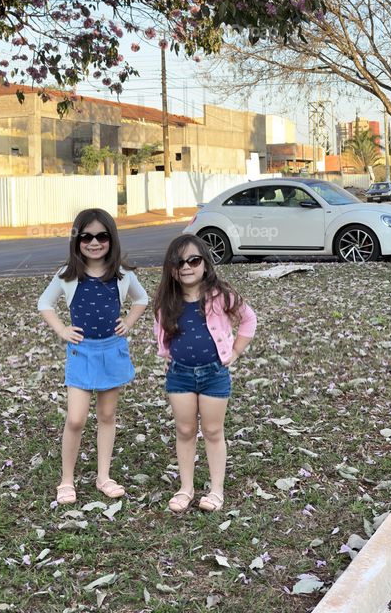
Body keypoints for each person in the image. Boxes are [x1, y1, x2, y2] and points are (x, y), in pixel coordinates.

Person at [38, 207, 148, 504]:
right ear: (77, 240)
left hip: (111, 350)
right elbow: (45, 303)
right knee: (75, 419)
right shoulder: (67, 275)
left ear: (111, 238)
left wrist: (128, 322)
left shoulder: (121, 274)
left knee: (107, 415)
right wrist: (62, 330)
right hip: (82, 353)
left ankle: (104, 476)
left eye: (102, 236)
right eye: (87, 236)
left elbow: (142, 299)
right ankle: (67, 480)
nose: (94, 242)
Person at [154, 234, 257, 514]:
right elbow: (161, 329)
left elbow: (248, 319)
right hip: (180, 375)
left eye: (194, 260)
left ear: (205, 263)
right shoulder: (167, 299)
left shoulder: (221, 295)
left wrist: (234, 352)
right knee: (185, 430)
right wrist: (166, 355)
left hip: (214, 374)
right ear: (171, 267)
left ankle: (216, 490)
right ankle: (186, 488)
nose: (187, 266)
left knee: (212, 431)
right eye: (179, 261)